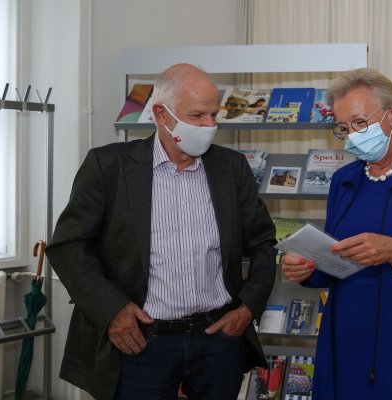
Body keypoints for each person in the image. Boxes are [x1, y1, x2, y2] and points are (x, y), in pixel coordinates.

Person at [46, 63, 278, 400]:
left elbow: (263, 241)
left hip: (218, 339)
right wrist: (111, 310)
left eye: (214, 115)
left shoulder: (231, 167)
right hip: (141, 342)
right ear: (160, 114)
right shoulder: (109, 167)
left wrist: (247, 307)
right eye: (197, 115)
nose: (209, 126)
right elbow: (69, 246)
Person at [281, 68, 392, 399]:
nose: (351, 136)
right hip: (343, 337)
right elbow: (337, 261)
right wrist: (306, 270)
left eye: (360, 123)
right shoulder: (344, 180)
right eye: (343, 127)